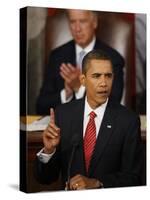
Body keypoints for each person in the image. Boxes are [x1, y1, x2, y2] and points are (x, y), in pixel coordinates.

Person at [35, 49, 143, 190]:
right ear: (83, 80)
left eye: (108, 76)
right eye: (97, 76)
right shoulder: (63, 114)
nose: (104, 83)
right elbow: (46, 178)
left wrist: (98, 183)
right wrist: (48, 151)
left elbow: (134, 178)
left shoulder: (128, 120)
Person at [36, 9, 125, 115]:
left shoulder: (113, 59)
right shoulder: (57, 56)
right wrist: (66, 93)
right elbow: (41, 106)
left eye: (82, 21)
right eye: (73, 22)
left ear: (94, 22)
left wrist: (79, 88)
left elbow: (113, 105)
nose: (77, 29)